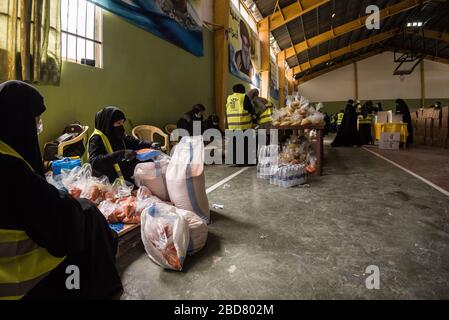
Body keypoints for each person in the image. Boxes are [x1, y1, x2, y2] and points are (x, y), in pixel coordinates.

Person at [0, 80, 122, 299]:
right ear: (19, 121)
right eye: (35, 121)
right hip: (17, 284)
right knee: (88, 215)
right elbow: (59, 222)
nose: (38, 127)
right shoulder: (10, 170)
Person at [88, 106, 159, 184]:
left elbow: (134, 142)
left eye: (122, 123)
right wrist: (121, 154)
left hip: (122, 173)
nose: (121, 126)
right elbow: (94, 162)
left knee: (153, 163)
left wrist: (150, 144)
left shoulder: (117, 134)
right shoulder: (97, 138)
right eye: (118, 123)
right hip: (107, 180)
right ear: (108, 123)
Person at [226, 84, 254, 165]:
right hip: (243, 124)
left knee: (234, 143)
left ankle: (234, 161)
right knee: (245, 143)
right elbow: (249, 109)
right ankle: (246, 161)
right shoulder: (243, 97)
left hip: (232, 125)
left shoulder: (229, 98)